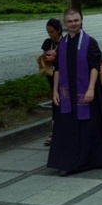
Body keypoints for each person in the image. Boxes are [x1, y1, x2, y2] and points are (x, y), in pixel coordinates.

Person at [48, 8, 102, 176]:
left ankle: (88, 160)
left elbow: (94, 67)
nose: (73, 24)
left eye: (76, 20)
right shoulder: (62, 44)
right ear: (64, 23)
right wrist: (55, 91)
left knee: (87, 127)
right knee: (68, 127)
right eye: (70, 21)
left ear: (81, 21)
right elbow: (57, 69)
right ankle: (68, 161)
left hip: (86, 91)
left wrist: (90, 89)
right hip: (67, 92)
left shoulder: (90, 42)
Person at [41, 18, 63, 146]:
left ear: (58, 30)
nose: (50, 34)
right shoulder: (47, 42)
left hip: (62, 76)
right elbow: (44, 55)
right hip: (51, 75)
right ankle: (54, 131)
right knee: (55, 102)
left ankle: (57, 131)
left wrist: (55, 58)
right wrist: (46, 58)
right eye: (48, 32)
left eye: (52, 32)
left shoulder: (64, 42)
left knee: (60, 102)